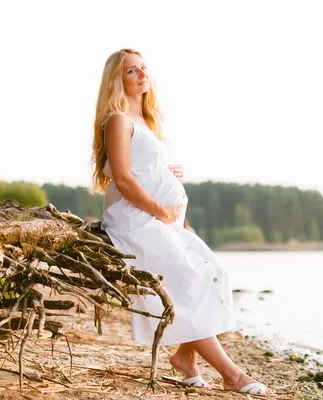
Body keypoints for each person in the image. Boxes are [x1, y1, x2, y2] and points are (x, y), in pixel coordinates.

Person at [90, 48, 274, 396]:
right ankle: (232, 375)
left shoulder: (145, 119)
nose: (142, 75)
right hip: (136, 221)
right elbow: (124, 180)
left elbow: (142, 167)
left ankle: (185, 358)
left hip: (162, 221)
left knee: (213, 271)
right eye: (131, 71)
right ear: (117, 79)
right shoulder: (118, 119)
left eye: (144, 68)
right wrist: (160, 209)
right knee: (189, 278)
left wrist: (167, 172)